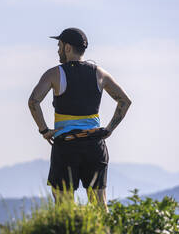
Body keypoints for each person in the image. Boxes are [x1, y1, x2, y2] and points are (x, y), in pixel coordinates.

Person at [28, 27, 131, 210]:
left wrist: (44, 130)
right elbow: (124, 101)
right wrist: (109, 129)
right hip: (95, 145)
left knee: (64, 206)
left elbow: (33, 101)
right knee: (100, 205)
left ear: (67, 48)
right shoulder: (100, 73)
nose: (57, 50)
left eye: (59, 45)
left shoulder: (54, 74)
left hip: (66, 145)